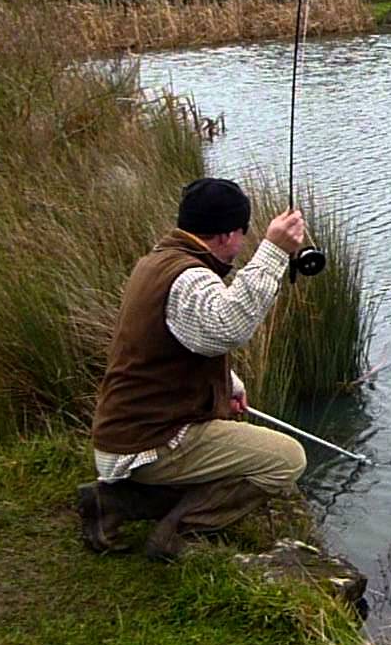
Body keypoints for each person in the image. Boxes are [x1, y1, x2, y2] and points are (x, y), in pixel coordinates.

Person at [79, 177, 309, 561]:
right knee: (286, 461)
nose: (242, 244)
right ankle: (176, 533)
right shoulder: (188, 277)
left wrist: (228, 387)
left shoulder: (156, 262)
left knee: (233, 455)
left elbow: (181, 344)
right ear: (227, 235)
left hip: (129, 432)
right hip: (148, 442)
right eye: (243, 234)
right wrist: (273, 251)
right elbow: (226, 327)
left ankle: (113, 503)